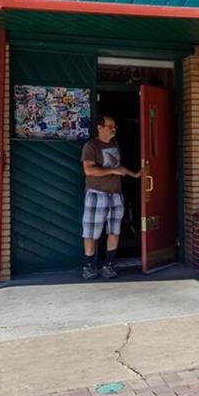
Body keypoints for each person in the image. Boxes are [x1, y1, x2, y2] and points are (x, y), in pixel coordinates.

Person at [81, 116, 139, 279]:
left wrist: (134, 174)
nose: (114, 129)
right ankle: (89, 266)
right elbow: (89, 170)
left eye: (115, 126)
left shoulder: (115, 144)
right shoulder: (91, 146)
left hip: (115, 194)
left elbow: (117, 166)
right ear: (100, 128)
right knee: (91, 232)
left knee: (114, 231)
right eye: (110, 126)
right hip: (96, 194)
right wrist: (112, 171)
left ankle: (109, 266)